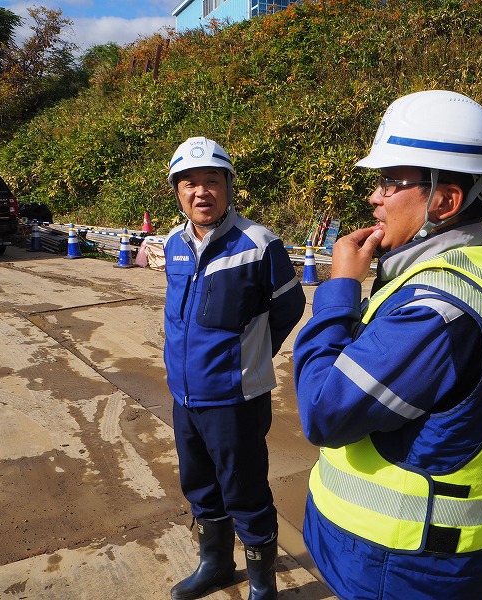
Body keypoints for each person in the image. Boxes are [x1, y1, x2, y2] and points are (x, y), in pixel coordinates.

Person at [293, 90, 482, 599]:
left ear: (445, 201)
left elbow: (323, 411)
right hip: (386, 559)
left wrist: (339, 291)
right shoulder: (444, 271)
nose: (374, 197)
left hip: (400, 568)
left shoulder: (434, 312)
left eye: (391, 182)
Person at [163, 136, 306, 600]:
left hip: (235, 399)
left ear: (228, 186)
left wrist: (253, 355)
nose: (201, 191)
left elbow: (289, 306)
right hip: (185, 397)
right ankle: (216, 565)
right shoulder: (173, 243)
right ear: (177, 191)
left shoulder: (259, 244)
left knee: (244, 491)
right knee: (199, 485)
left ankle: (263, 584)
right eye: (189, 183)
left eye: (211, 180)